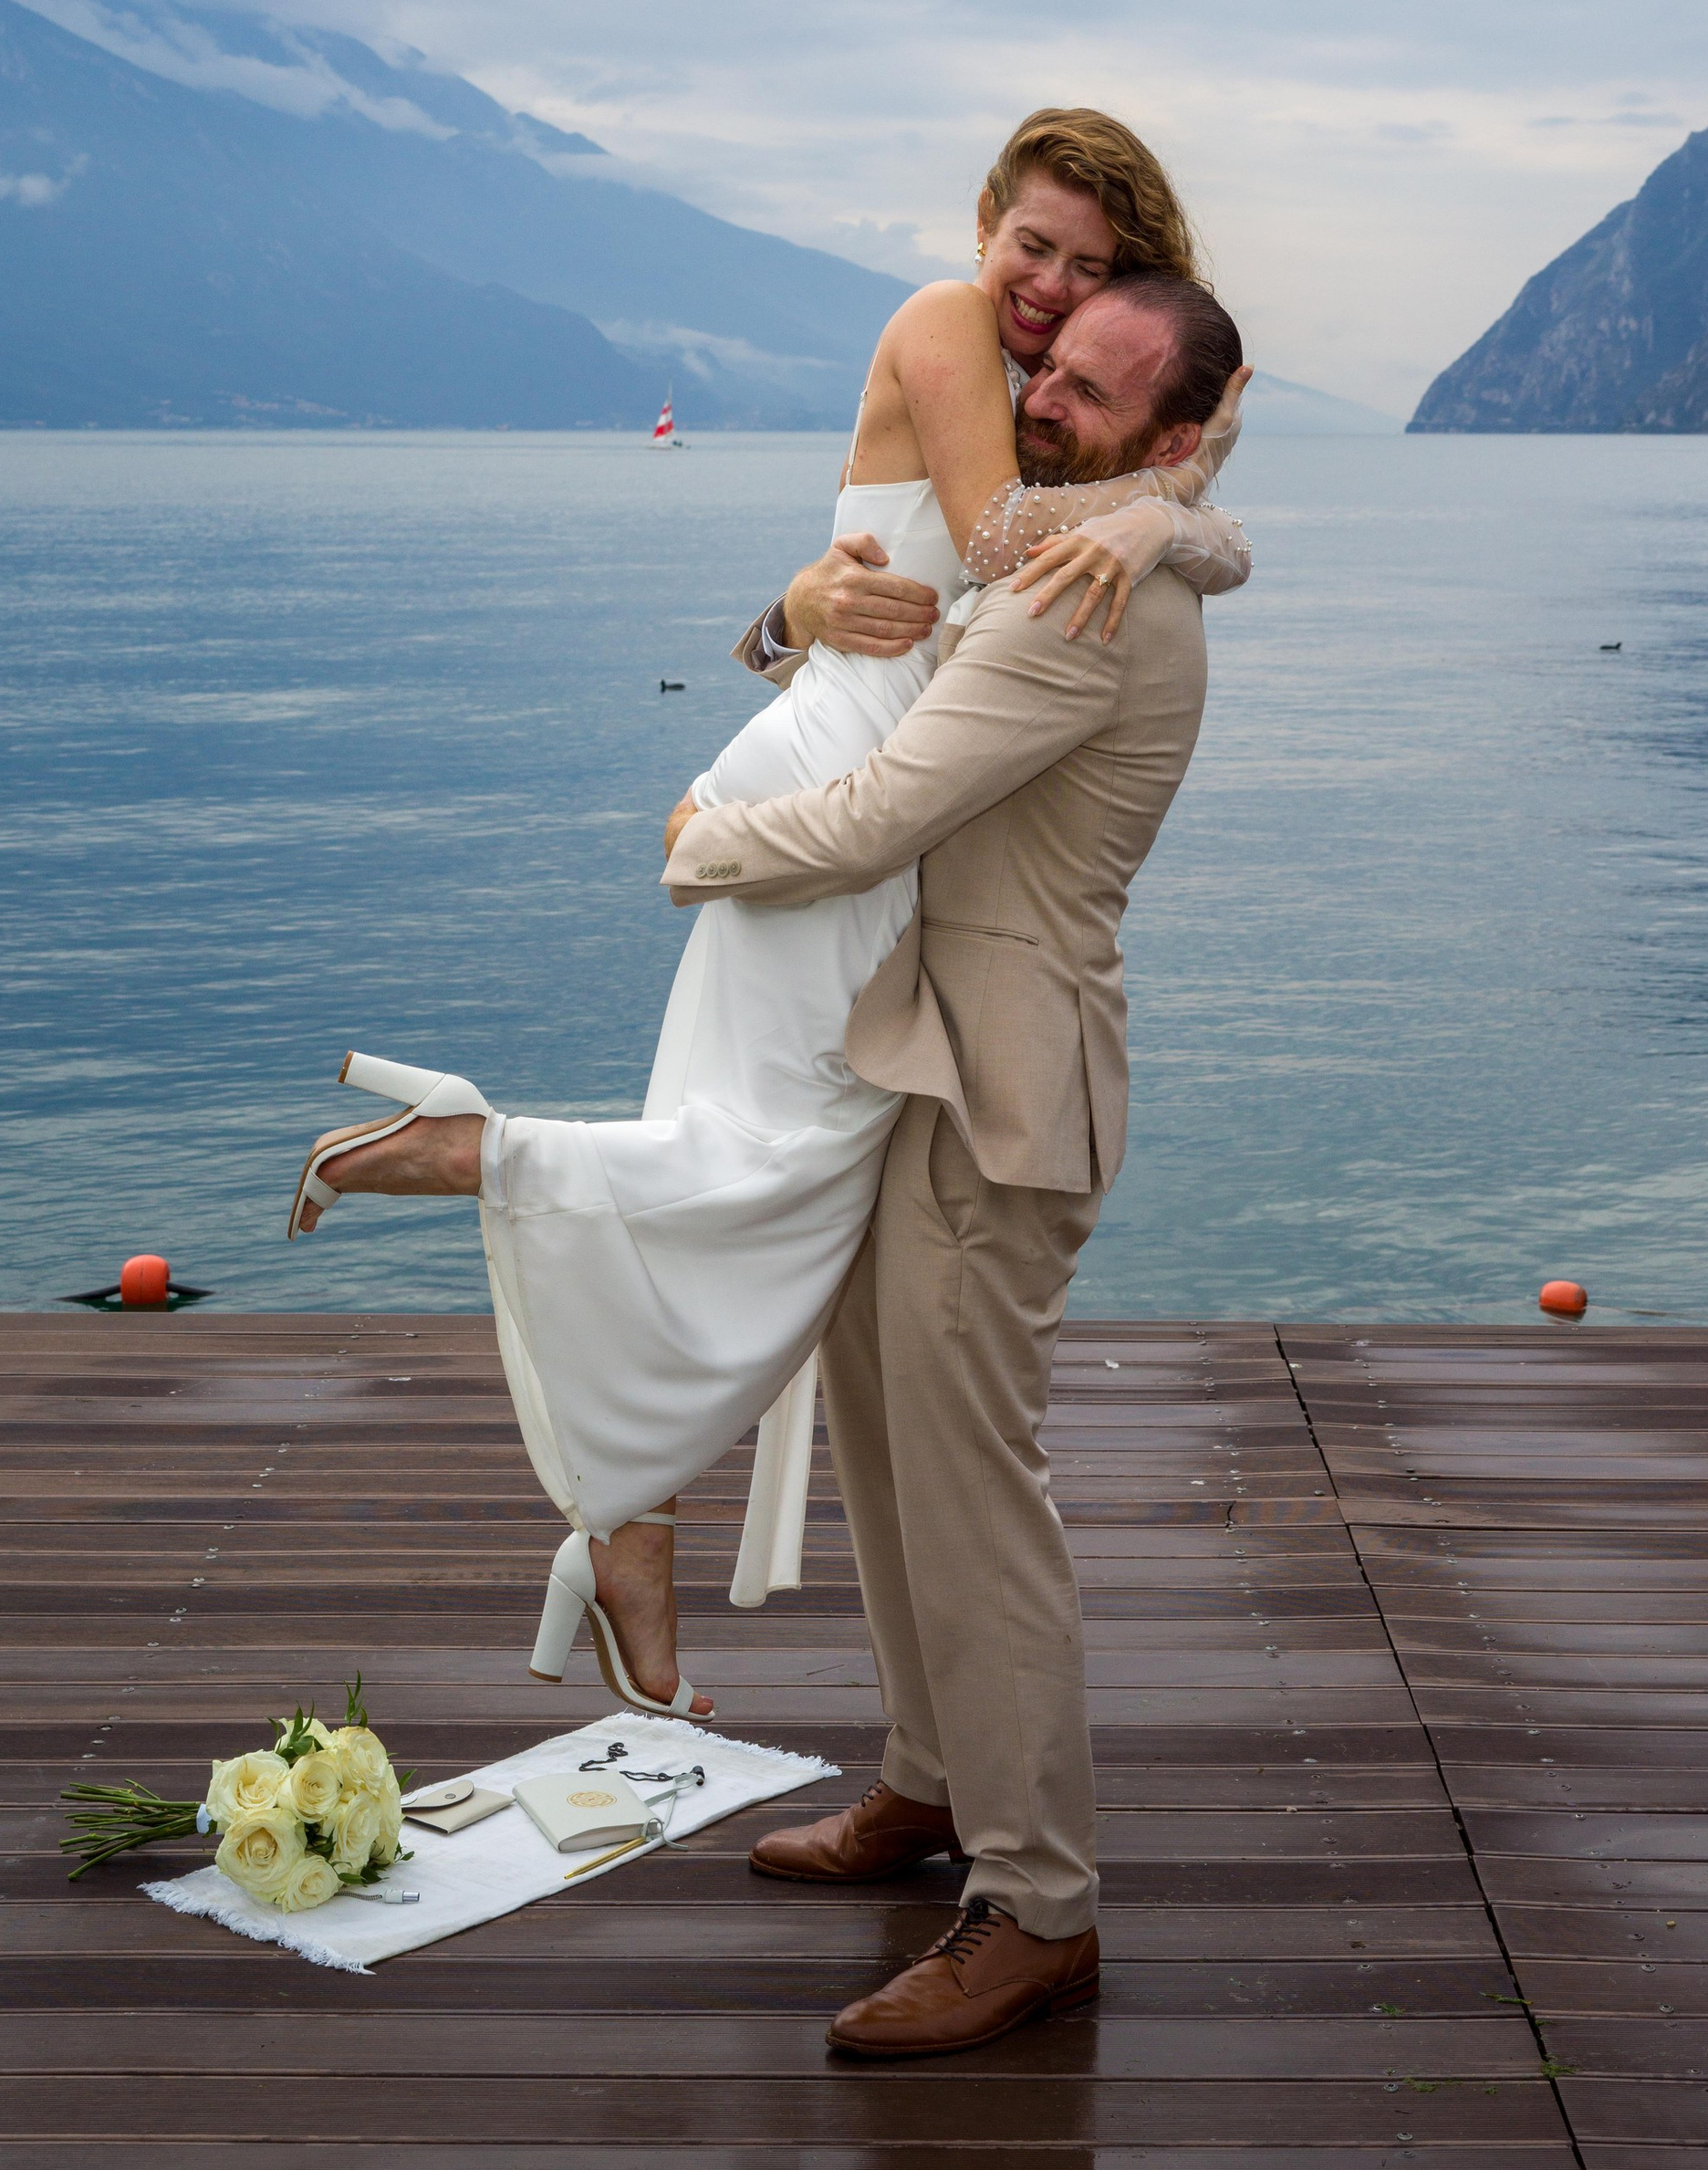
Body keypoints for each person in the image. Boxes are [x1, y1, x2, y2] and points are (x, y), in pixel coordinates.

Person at [282, 109, 1249, 1731]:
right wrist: (1181, 518)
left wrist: (1166, 517)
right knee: (785, 1167)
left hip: (860, 773)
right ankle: (487, 1161)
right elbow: (1003, 543)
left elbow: (940, 567)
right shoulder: (949, 329)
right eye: (1031, 245)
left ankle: (628, 1521)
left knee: (768, 1156)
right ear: (985, 222)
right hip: (843, 797)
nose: (1044, 290)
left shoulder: (1066, 393)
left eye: (1089, 272)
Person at [665, 266, 1246, 2055]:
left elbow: (880, 817)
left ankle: (1035, 1902)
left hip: (1007, 1090)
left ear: (1168, 442)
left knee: (971, 1482)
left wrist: (698, 839)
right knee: (882, 1437)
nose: (1046, 396)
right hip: (919, 1057)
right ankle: (927, 1783)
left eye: (1092, 391)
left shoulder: (1082, 594)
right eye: (1046, 369)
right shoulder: (1084, 543)